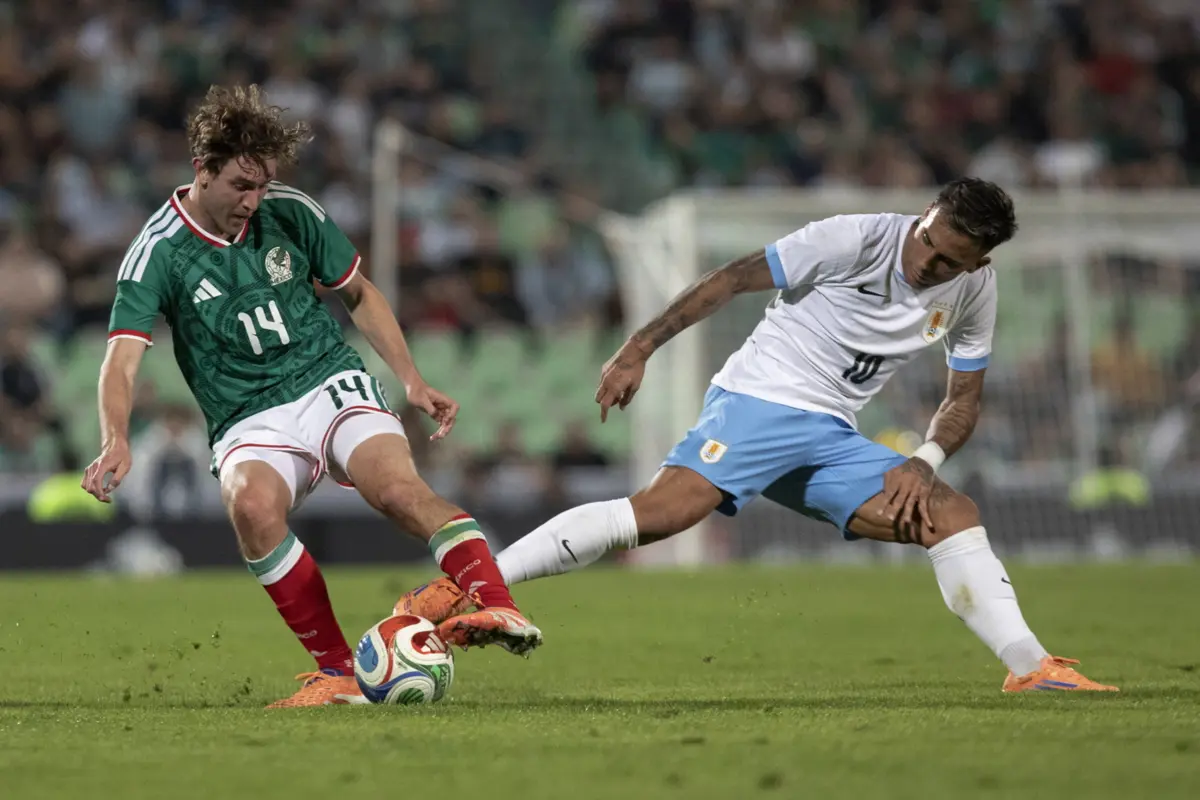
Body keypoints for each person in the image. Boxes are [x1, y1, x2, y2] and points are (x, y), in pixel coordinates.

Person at [400, 178, 1118, 693]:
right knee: (664, 515)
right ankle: (466, 587)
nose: (928, 265)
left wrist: (924, 460)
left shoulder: (973, 290)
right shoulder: (856, 237)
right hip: (761, 400)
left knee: (951, 514)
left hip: (831, 433)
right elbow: (734, 278)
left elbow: (964, 399)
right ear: (924, 215)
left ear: (979, 264)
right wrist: (638, 347)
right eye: (929, 245)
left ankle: (1032, 667)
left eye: (949, 262)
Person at [81, 85, 541, 709]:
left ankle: (500, 608)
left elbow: (360, 294)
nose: (254, 200)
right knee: (251, 509)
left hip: (325, 377)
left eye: (263, 184)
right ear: (202, 169)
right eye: (242, 185)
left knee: (400, 492)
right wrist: (116, 437)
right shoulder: (159, 250)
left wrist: (410, 378)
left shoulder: (291, 212)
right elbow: (122, 359)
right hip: (246, 414)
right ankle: (341, 673)